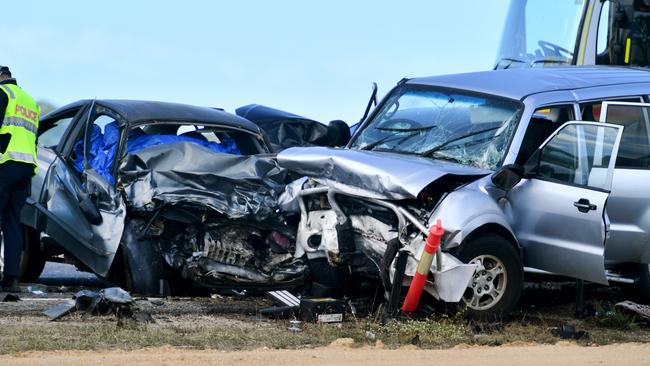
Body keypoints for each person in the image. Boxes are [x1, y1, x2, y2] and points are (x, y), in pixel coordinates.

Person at [0, 65, 40, 291]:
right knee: (12, 223)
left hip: (5, 164)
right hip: (25, 169)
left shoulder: (2, 94)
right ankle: (11, 279)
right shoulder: (29, 100)